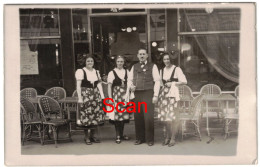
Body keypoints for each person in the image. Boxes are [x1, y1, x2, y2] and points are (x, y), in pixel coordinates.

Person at [128, 48, 161, 146]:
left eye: (143, 54)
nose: (142, 56)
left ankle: (150, 139)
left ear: (147, 55)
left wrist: (155, 95)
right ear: (137, 56)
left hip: (148, 93)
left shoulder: (153, 66)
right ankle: (139, 138)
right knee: (138, 116)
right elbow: (129, 79)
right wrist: (131, 86)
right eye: (140, 54)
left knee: (148, 117)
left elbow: (157, 81)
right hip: (137, 94)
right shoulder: (134, 66)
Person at [158, 53, 187, 147]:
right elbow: (160, 84)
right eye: (164, 59)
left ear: (171, 60)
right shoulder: (161, 70)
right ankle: (167, 137)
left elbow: (184, 81)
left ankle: (173, 138)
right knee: (166, 118)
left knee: (174, 116)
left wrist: (173, 83)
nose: (166, 61)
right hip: (164, 96)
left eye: (168, 59)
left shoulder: (177, 69)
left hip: (173, 96)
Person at [75, 54, 105, 145]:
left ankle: (93, 136)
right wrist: (80, 98)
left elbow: (99, 84)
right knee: (86, 115)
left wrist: (102, 96)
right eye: (88, 61)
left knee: (95, 115)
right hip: (86, 95)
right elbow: (78, 86)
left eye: (91, 61)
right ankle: (86, 137)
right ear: (85, 62)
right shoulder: (81, 71)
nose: (90, 62)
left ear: (93, 62)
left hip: (95, 94)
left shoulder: (96, 72)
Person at [107, 55, 130, 144]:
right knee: (117, 116)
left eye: (121, 61)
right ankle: (117, 135)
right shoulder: (112, 73)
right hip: (116, 96)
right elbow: (109, 86)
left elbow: (130, 83)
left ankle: (121, 134)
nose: (120, 63)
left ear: (124, 63)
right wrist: (110, 98)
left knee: (123, 116)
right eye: (118, 61)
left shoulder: (127, 72)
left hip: (125, 96)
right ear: (116, 63)